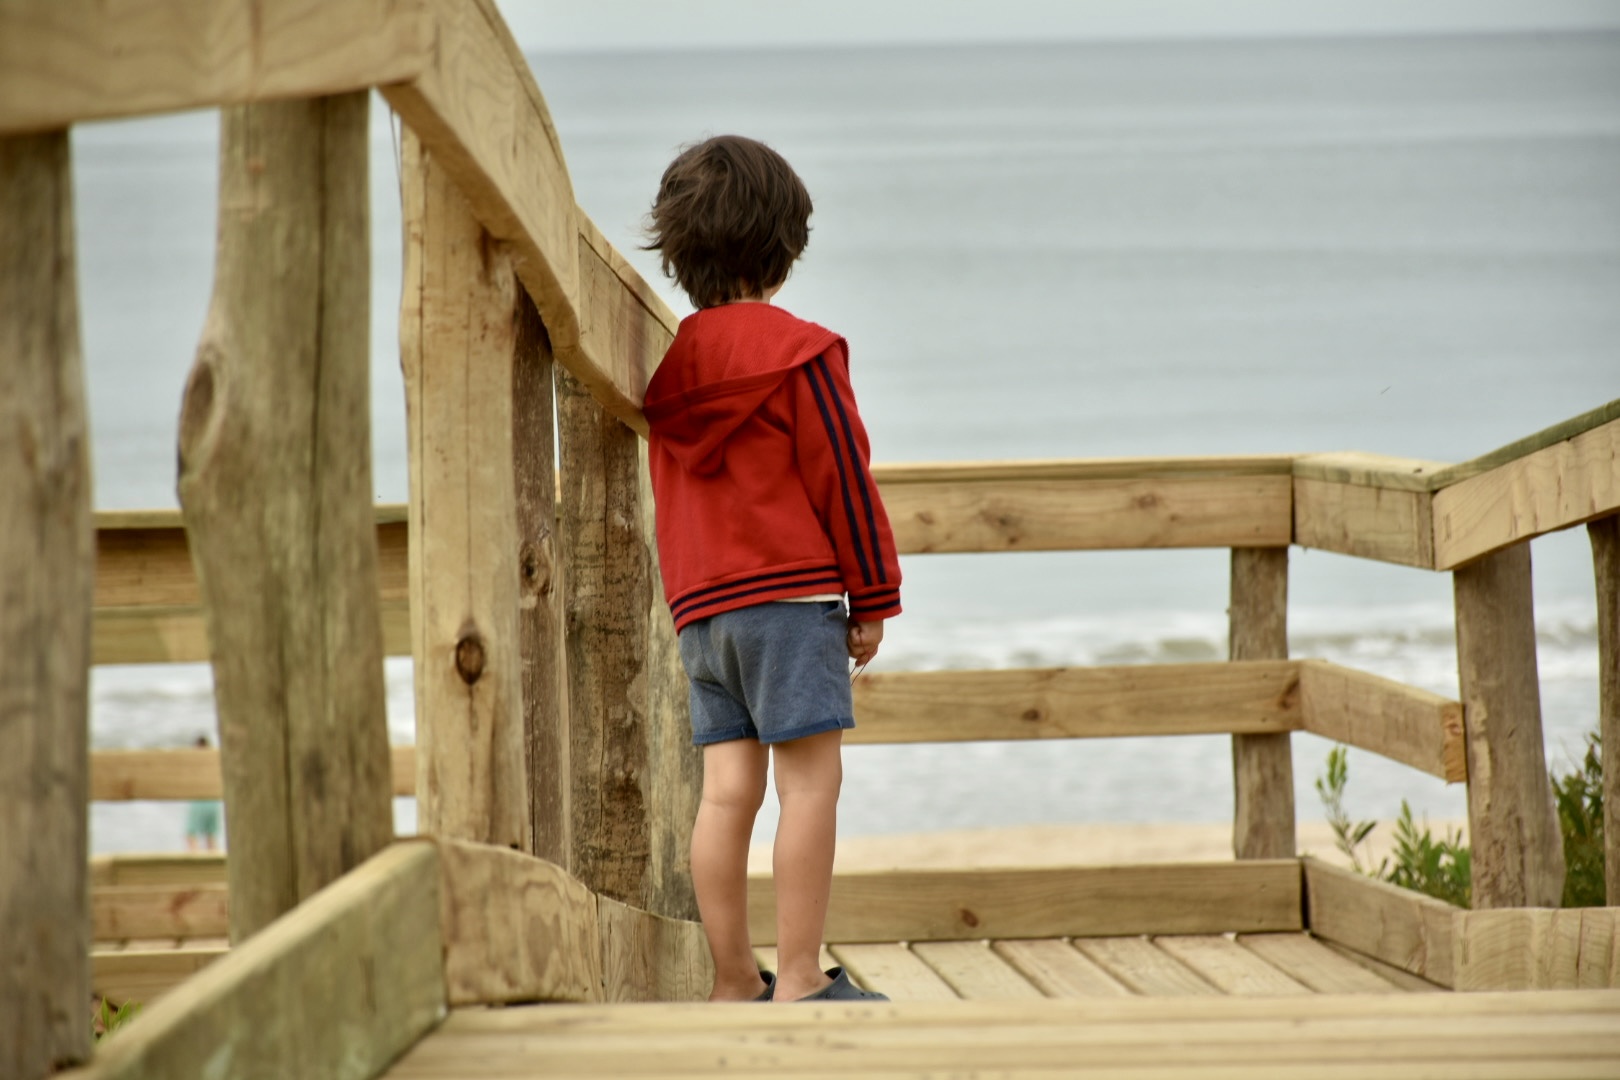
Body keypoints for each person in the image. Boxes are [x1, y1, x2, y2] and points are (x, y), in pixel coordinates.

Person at [642, 135, 902, 1004]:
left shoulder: (671, 373)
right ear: (784, 247)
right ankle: (798, 976)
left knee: (726, 794)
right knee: (810, 784)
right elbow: (842, 479)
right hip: (788, 602)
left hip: (701, 612)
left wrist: (689, 605)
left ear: (678, 253)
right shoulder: (804, 353)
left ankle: (729, 981)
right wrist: (872, 596)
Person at [185, 735, 221, 852]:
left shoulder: (195, 762)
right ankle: (214, 866)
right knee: (211, 837)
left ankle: (193, 862)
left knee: (191, 834)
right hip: (214, 802)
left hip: (199, 801)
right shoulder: (213, 760)